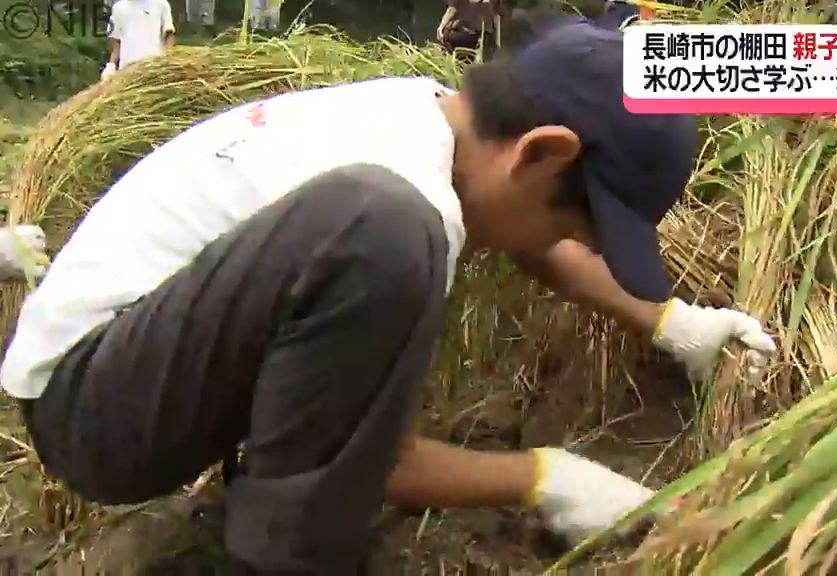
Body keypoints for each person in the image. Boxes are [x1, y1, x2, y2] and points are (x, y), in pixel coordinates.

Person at [2, 21, 776, 574]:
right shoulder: (399, 210)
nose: (590, 248)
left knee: (389, 230)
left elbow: (535, 240)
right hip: (95, 410)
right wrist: (546, 478)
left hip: (115, 364)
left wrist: (670, 323)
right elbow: (372, 463)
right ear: (541, 152)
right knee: (386, 233)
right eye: (589, 223)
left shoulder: (427, 118)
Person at [101, 0, 176, 81]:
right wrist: (111, 65)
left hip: (154, 70)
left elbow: (169, 35)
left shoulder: (161, 4)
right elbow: (116, 41)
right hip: (126, 71)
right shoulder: (118, 8)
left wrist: (168, 60)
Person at [437, 0, 502, 63]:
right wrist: (441, 27)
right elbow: (452, 9)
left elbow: (496, 15)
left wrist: (498, 39)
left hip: (483, 35)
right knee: (446, 38)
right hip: (467, 33)